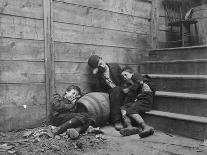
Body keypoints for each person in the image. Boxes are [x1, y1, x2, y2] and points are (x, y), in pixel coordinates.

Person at [87, 55, 124, 130]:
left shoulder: (115, 66)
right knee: (115, 91)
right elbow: (97, 90)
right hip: (110, 94)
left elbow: (124, 79)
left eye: (100, 62)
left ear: (101, 58)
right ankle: (117, 121)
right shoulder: (98, 75)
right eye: (98, 66)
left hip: (122, 90)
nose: (101, 65)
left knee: (117, 89)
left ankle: (118, 120)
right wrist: (94, 75)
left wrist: (125, 89)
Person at [119, 67, 155, 138]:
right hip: (139, 99)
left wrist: (129, 89)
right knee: (123, 107)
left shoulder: (136, 76)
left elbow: (139, 83)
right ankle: (129, 126)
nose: (124, 77)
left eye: (126, 75)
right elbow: (130, 97)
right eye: (123, 76)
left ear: (131, 73)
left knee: (131, 110)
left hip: (146, 98)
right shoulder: (129, 83)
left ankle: (145, 127)